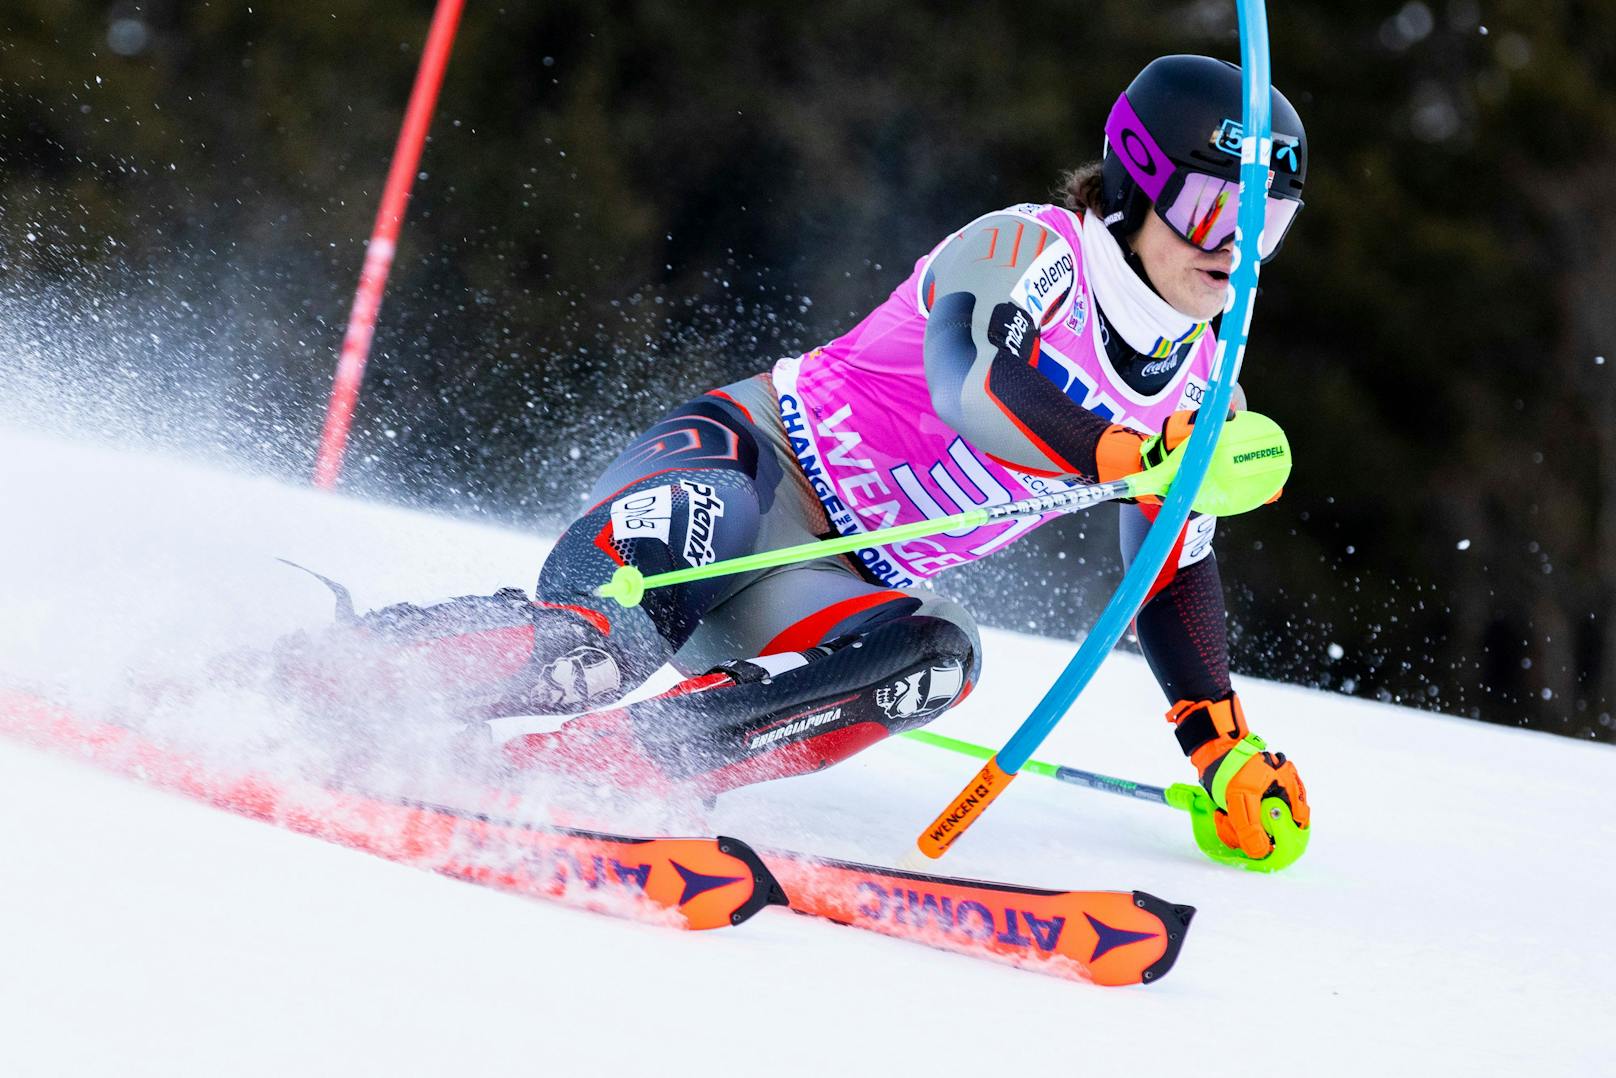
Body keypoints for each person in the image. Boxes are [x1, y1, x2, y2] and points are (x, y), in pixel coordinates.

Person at [298, 54, 1310, 861]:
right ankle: (311, 678)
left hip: (823, 586)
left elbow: (1169, 560)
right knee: (598, 647)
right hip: (742, 472)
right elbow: (976, 384)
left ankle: (597, 771)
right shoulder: (1026, 250)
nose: (1233, 251)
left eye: (1264, 225)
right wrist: (1133, 450)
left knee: (938, 657)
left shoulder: (1203, 379)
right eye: (1215, 210)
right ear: (1135, 181)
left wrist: (1218, 749)